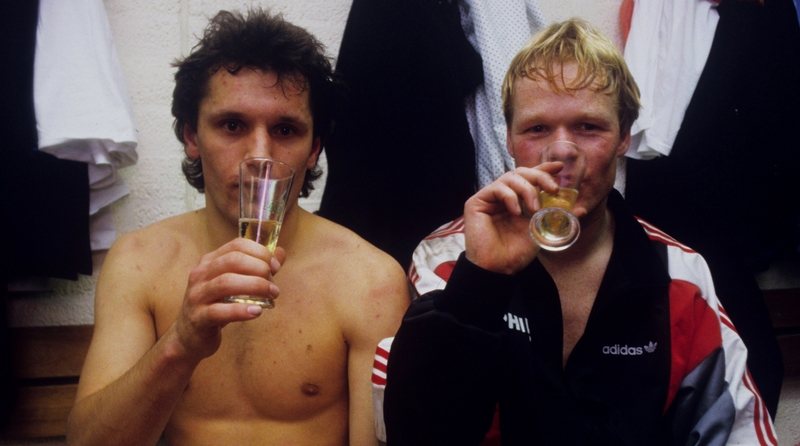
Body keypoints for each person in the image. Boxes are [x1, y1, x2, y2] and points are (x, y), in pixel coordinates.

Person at [382, 19, 777, 445]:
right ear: (510, 141)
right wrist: (481, 283)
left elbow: (734, 431)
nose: (563, 153)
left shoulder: (679, 273)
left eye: (589, 127)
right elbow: (417, 434)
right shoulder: (446, 258)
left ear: (624, 136)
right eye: (537, 130)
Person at [67, 9, 410, 446]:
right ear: (192, 136)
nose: (260, 156)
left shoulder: (370, 279)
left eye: (285, 129)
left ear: (313, 151)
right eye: (232, 125)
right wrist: (182, 343)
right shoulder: (139, 263)